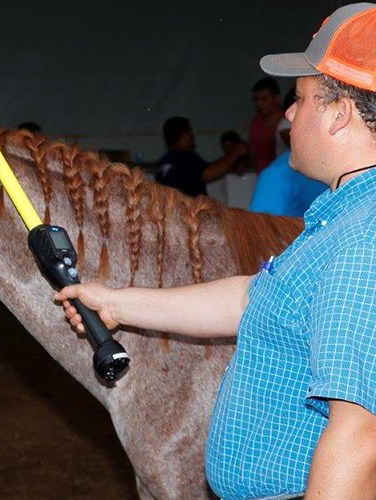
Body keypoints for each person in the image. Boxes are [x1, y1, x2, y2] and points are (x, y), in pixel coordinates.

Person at [56, 4, 376, 498]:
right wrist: (117, 302)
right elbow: (252, 299)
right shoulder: (342, 216)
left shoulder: (362, 240)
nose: (289, 114)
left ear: (340, 113)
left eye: (301, 98)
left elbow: (358, 435)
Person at [154, 116, 248, 197]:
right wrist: (236, 153)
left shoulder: (162, 162)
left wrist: (231, 166)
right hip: (189, 213)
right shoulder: (184, 156)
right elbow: (208, 173)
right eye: (190, 132)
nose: (192, 136)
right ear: (183, 136)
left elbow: (205, 168)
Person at [249, 77, 284, 173]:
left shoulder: (288, 122)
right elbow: (253, 156)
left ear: (276, 98)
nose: (259, 103)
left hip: (285, 178)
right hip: (262, 178)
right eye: (256, 100)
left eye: (263, 99)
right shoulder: (256, 123)